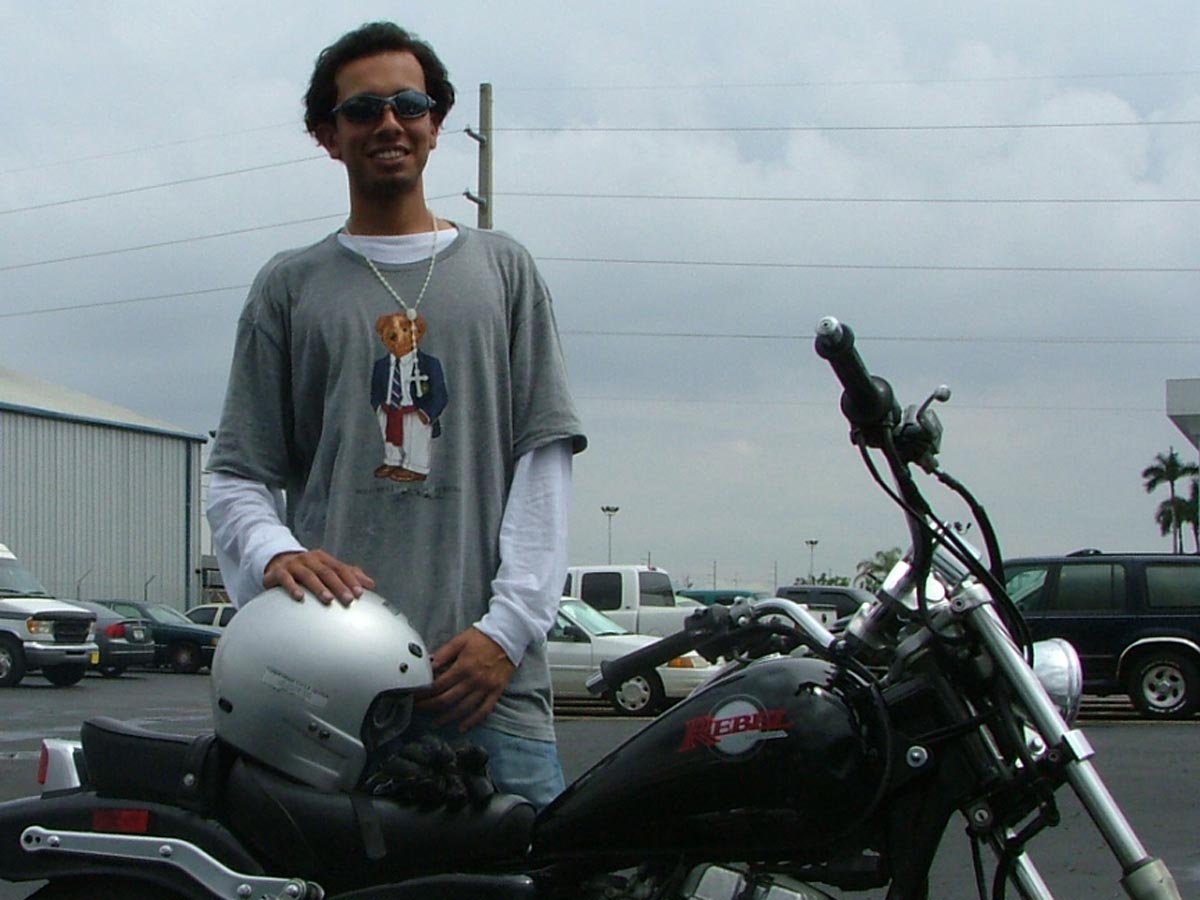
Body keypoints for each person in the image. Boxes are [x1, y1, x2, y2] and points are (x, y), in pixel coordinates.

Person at [205, 21, 585, 811]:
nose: (389, 123)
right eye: (362, 109)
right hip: (329, 696)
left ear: (437, 124)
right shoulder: (289, 288)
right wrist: (275, 552)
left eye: (409, 104)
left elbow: (543, 460)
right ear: (327, 135)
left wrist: (507, 632)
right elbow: (238, 473)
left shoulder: (505, 271)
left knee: (534, 866)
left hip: (487, 691)